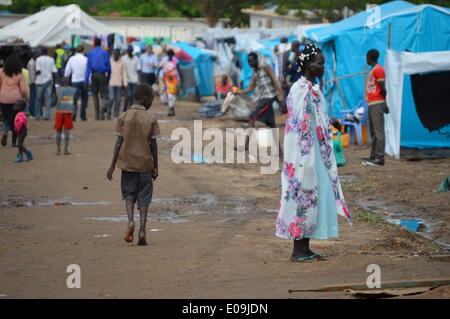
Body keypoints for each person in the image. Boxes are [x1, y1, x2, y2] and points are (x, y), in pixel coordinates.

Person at [276, 44, 352, 262]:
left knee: (314, 196)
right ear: (308, 65)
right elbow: (299, 124)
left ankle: (305, 247)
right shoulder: (300, 89)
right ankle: (297, 250)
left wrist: (330, 122)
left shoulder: (312, 88)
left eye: (324, 63)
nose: (323, 67)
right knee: (304, 194)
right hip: (303, 155)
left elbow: (314, 119)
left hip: (315, 152)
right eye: (320, 63)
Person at [106, 83, 160, 246]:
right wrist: (156, 165)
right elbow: (154, 145)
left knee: (128, 194)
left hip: (127, 163)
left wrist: (112, 165)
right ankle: (142, 230)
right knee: (144, 197)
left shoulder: (123, 116)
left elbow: (118, 143)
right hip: (145, 164)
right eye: (151, 99)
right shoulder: (150, 118)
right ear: (145, 99)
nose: (151, 103)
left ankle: (130, 221)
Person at [237, 52, 284, 149]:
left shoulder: (265, 67)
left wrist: (280, 97)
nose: (249, 63)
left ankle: (246, 146)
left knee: (252, 116)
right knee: (272, 125)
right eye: (248, 62)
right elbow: (251, 87)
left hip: (269, 98)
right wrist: (239, 92)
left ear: (256, 59)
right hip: (264, 98)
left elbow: (274, 81)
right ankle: (280, 151)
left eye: (251, 61)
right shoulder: (254, 72)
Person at [363, 49, 389, 166]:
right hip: (372, 103)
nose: (366, 59)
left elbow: (383, 88)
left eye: (366, 57)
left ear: (369, 57)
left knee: (378, 132)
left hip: (377, 103)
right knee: (373, 132)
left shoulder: (378, 69)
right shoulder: (373, 70)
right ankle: (373, 157)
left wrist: (384, 103)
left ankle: (380, 158)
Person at [0, 53, 28, 147]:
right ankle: (14, 141)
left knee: (5, 118)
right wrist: (25, 96)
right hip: (16, 99)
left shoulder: (1, 71)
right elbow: (23, 89)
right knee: (16, 120)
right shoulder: (19, 74)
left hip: (3, 98)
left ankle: (4, 133)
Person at [85, 38, 111, 120]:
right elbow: (109, 66)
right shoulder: (105, 52)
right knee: (104, 96)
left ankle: (97, 116)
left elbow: (88, 67)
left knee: (95, 96)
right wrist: (108, 77)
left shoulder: (90, 53)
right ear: (100, 44)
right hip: (103, 75)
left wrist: (86, 80)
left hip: (94, 75)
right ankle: (103, 108)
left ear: (94, 44)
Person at [64, 45, 88, 121]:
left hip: (75, 81)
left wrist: (66, 78)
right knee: (84, 99)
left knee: (74, 99)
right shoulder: (86, 59)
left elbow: (67, 72)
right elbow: (88, 71)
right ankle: (83, 116)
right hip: (84, 81)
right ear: (83, 51)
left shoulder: (71, 59)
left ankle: (74, 114)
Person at [54, 77, 76, 155]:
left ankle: (58, 149)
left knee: (58, 131)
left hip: (59, 112)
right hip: (68, 112)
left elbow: (54, 101)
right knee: (67, 131)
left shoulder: (58, 90)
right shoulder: (72, 90)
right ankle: (65, 149)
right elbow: (74, 101)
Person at [35, 47, 57, 121]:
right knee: (48, 99)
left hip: (39, 82)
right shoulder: (51, 59)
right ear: (47, 53)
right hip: (48, 81)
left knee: (38, 99)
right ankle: (47, 116)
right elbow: (54, 72)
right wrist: (54, 83)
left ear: (41, 52)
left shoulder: (38, 59)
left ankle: (37, 116)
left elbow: (38, 71)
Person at [121, 45, 141, 112]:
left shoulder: (136, 59)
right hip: (126, 80)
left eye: (130, 51)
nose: (129, 52)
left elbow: (138, 70)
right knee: (128, 95)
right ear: (127, 51)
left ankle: (131, 109)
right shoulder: (123, 58)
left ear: (132, 51)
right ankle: (125, 108)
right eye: (128, 51)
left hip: (134, 80)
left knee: (133, 96)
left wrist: (139, 81)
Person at [109, 49, 128, 119]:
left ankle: (116, 114)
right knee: (111, 99)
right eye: (115, 54)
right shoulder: (109, 61)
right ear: (113, 54)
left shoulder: (122, 63)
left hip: (119, 83)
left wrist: (125, 84)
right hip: (111, 83)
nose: (116, 55)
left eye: (117, 54)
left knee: (118, 100)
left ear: (119, 55)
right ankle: (109, 112)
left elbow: (124, 74)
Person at [160, 49, 179, 117]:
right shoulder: (165, 63)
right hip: (167, 81)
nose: (170, 56)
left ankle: (171, 110)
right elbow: (160, 69)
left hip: (173, 81)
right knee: (167, 95)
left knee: (171, 96)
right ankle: (171, 109)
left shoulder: (175, 62)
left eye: (171, 55)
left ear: (172, 55)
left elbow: (179, 71)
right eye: (169, 55)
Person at [27, 51, 37, 118]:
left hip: (31, 81)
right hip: (33, 82)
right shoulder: (32, 63)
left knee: (32, 97)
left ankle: (32, 112)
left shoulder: (31, 62)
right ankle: (32, 112)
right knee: (33, 98)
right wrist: (34, 81)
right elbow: (32, 74)